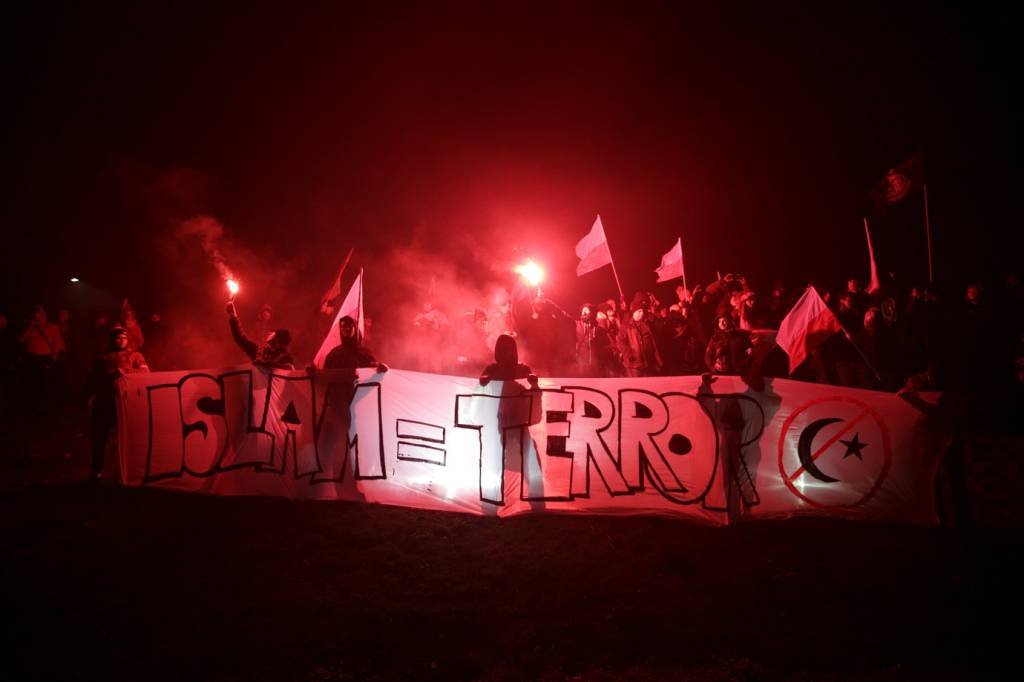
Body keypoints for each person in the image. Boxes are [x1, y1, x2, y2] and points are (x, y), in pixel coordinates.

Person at [84, 325, 149, 480]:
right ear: (112, 339)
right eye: (118, 338)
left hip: (126, 403)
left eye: (124, 338)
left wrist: (127, 373)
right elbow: (92, 380)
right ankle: (97, 471)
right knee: (100, 438)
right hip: (105, 402)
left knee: (128, 438)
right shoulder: (102, 358)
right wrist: (90, 397)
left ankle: (128, 470)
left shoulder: (135, 356)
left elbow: (146, 373)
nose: (122, 341)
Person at [227, 301, 295, 369]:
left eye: (272, 333)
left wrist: (264, 364)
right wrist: (233, 316)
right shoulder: (261, 352)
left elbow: (286, 373)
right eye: (264, 312)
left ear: (277, 341)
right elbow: (241, 339)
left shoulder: (286, 359)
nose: (269, 333)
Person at [322, 315, 388, 377]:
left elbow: (374, 369)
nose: (346, 329)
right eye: (343, 326)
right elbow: (324, 374)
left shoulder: (365, 353)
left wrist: (381, 367)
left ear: (355, 328)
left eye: (349, 325)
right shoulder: (334, 354)